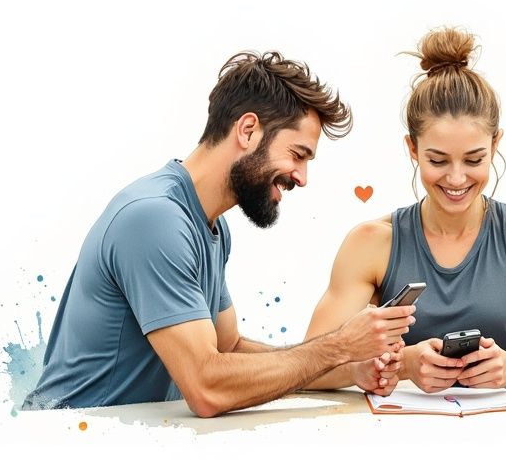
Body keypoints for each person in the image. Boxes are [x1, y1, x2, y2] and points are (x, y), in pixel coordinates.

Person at [22, 51, 416, 417]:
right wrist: (338, 345)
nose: (302, 177)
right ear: (247, 130)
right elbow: (207, 387)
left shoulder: (211, 226)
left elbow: (229, 349)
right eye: (298, 154)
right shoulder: (155, 219)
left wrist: (347, 369)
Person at [303, 27, 506, 396]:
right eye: (437, 160)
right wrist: (405, 364)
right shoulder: (372, 243)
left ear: (496, 143)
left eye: (474, 159)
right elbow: (308, 365)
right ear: (412, 148)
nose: (456, 178)